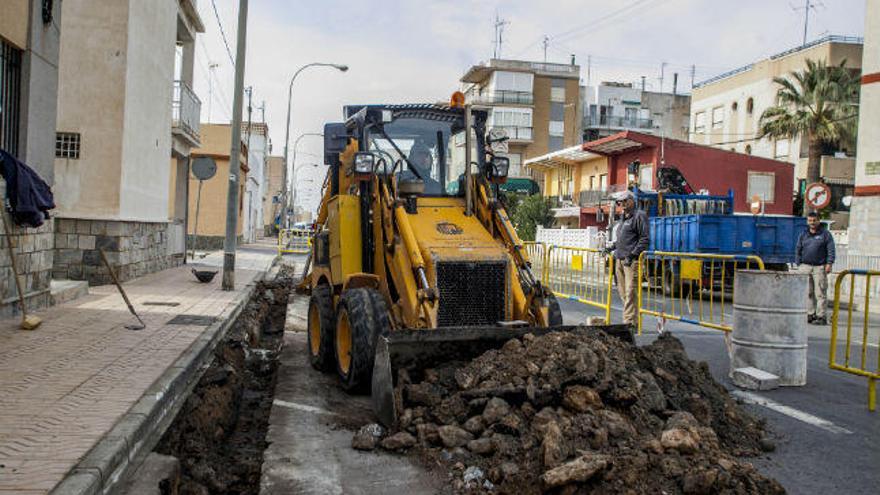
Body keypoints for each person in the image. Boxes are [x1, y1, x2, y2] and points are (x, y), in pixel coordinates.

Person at [608, 190, 650, 327]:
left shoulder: (639, 216)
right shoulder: (623, 218)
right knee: (623, 293)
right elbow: (621, 240)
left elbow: (644, 239)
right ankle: (633, 320)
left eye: (625, 201)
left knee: (630, 291)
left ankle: (629, 322)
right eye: (620, 202)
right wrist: (611, 248)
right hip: (620, 259)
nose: (623, 204)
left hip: (631, 261)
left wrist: (633, 255)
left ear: (632, 201)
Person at [795, 211, 835, 325]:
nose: (812, 223)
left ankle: (821, 316)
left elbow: (831, 249)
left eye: (814, 220)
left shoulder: (825, 234)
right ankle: (810, 314)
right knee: (808, 292)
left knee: (820, 292)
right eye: (810, 220)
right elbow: (798, 248)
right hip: (805, 266)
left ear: (818, 220)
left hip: (819, 267)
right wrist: (799, 263)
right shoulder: (803, 234)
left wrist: (829, 263)